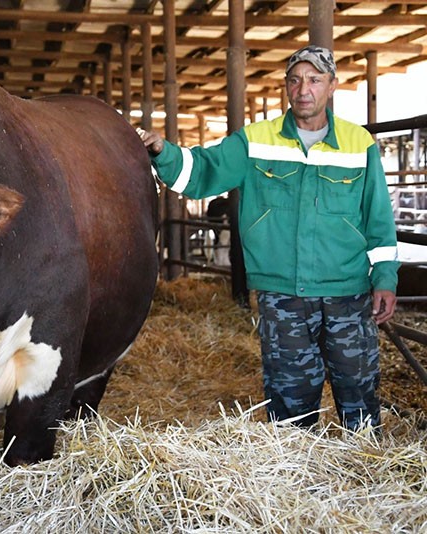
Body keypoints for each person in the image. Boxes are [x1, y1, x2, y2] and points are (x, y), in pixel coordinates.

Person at [138, 45, 399, 431]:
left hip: (348, 294)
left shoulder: (358, 143)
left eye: (314, 80)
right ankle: (297, 481)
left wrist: (386, 278)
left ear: (332, 86)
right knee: (290, 403)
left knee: (358, 393)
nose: (303, 89)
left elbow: (379, 218)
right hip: (284, 297)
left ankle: (359, 476)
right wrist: (163, 152)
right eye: (294, 81)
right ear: (286, 88)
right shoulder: (256, 141)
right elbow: (203, 172)